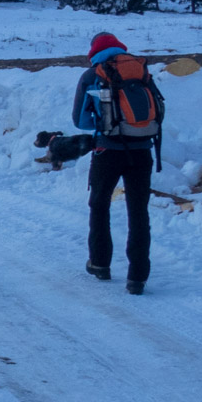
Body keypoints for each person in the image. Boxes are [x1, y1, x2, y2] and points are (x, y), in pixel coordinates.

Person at [71, 31, 163, 295]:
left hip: (107, 151)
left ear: (94, 51)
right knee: (139, 211)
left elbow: (80, 121)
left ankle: (100, 263)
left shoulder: (92, 75)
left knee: (99, 205)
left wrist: (105, 126)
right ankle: (137, 277)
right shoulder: (141, 71)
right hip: (143, 150)